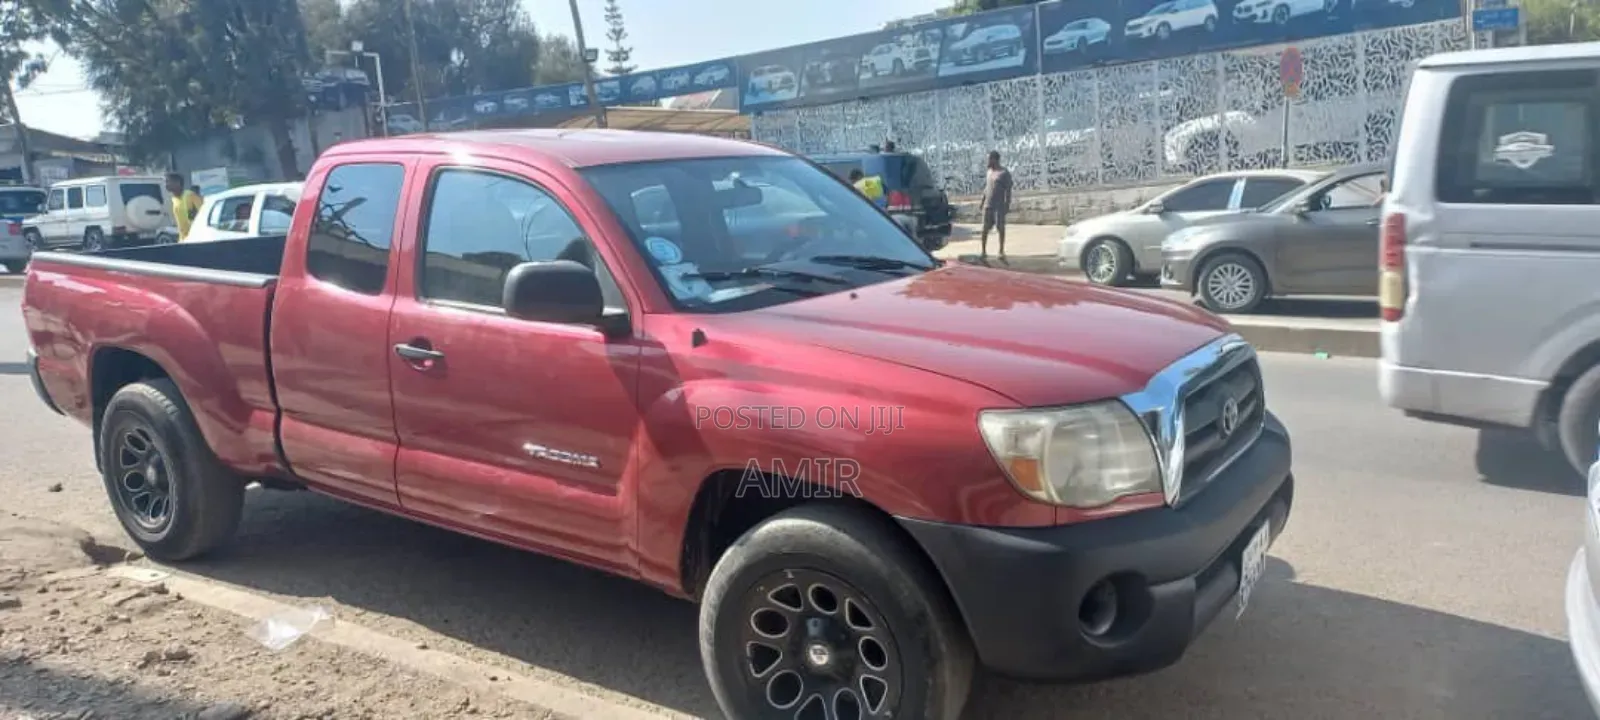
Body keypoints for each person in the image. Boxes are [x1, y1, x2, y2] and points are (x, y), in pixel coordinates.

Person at [978, 150, 1013, 262]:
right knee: (984, 229)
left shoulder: (1004, 173)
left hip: (999, 206)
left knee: (1000, 228)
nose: (987, 161)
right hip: (988, 205)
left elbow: (1008, 190)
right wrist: (982, 201)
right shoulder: (989, 172)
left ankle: (1001, 251)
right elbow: (986, 188)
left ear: (995, 159)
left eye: (989, 159)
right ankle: (983, 251)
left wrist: (1007, 204)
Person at [166, 174, 203, 242]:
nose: (166, 184)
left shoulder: (190, 195)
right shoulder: (174, 199)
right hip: (183, 239)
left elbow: (203, 213)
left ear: (178, 182)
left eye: (168, 181)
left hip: (196, 237)